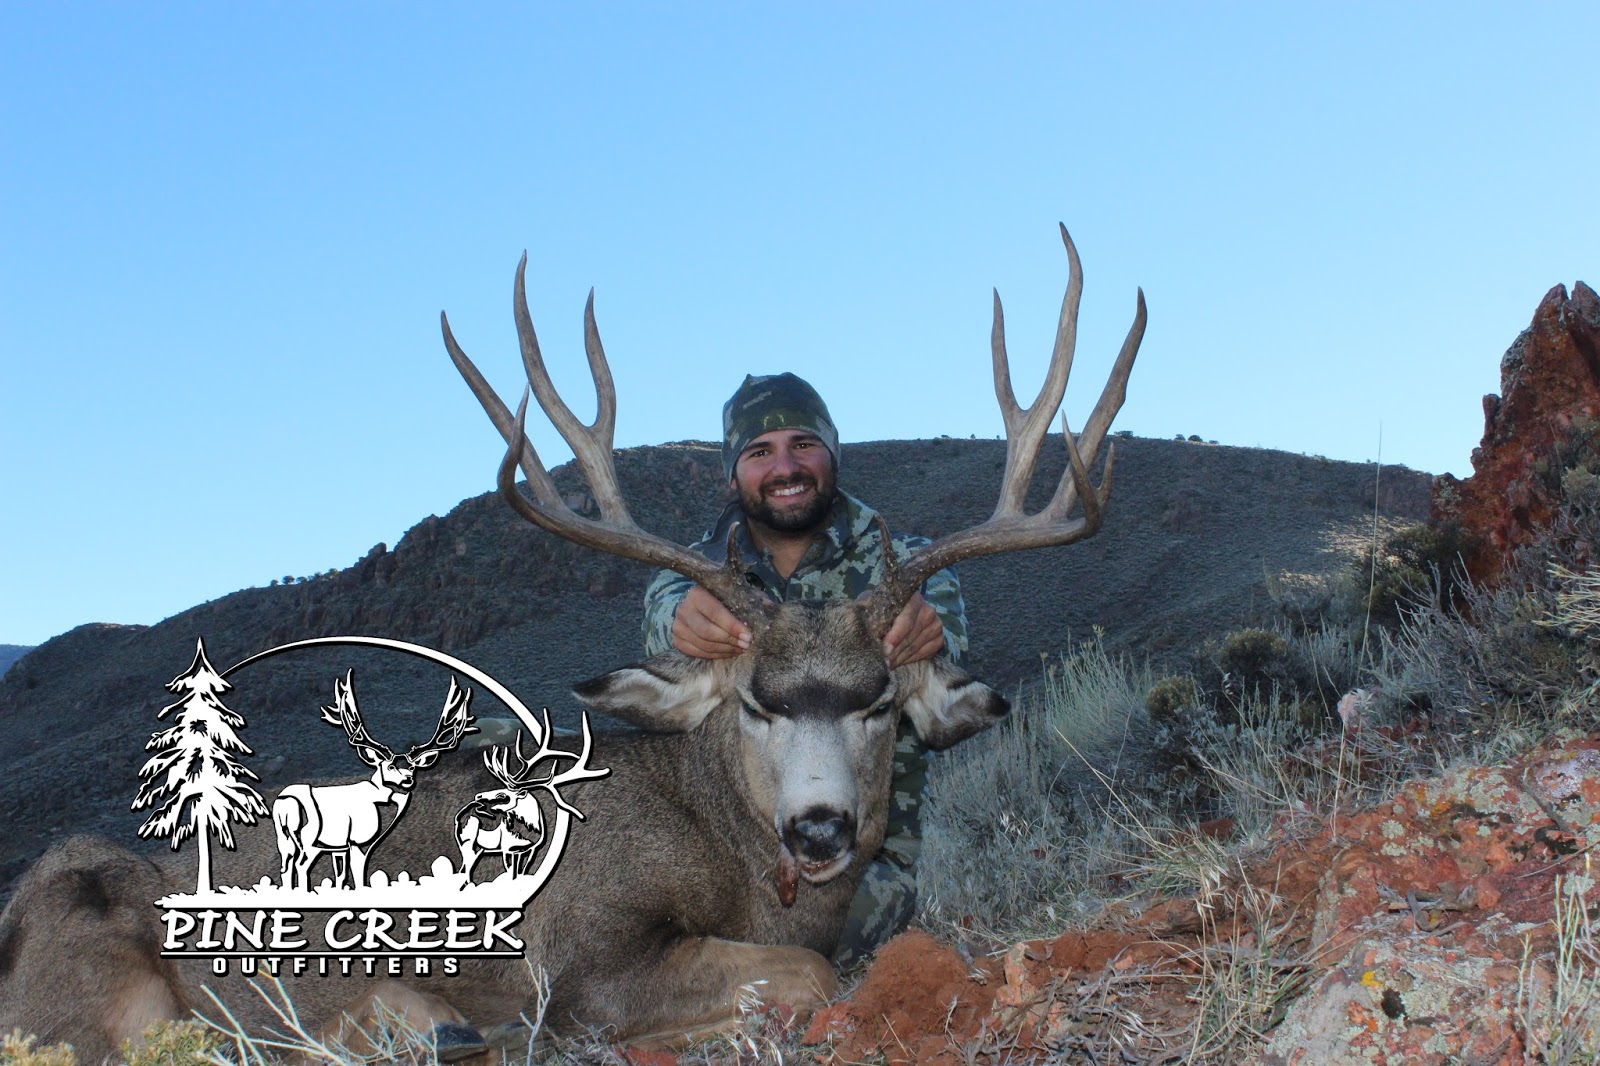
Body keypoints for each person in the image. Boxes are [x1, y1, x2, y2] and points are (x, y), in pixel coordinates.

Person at [641, 371, 970, 966]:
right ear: (733, 473)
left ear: (832, 452)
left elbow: (946, 666)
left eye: (804, 445)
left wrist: (928, 634)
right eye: (759, 452)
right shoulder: (689, 576)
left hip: (869, 852)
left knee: (825, 960)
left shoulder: (911, 570)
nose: (785, 467)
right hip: (722, 844)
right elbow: (663, 622)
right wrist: (678, 623)